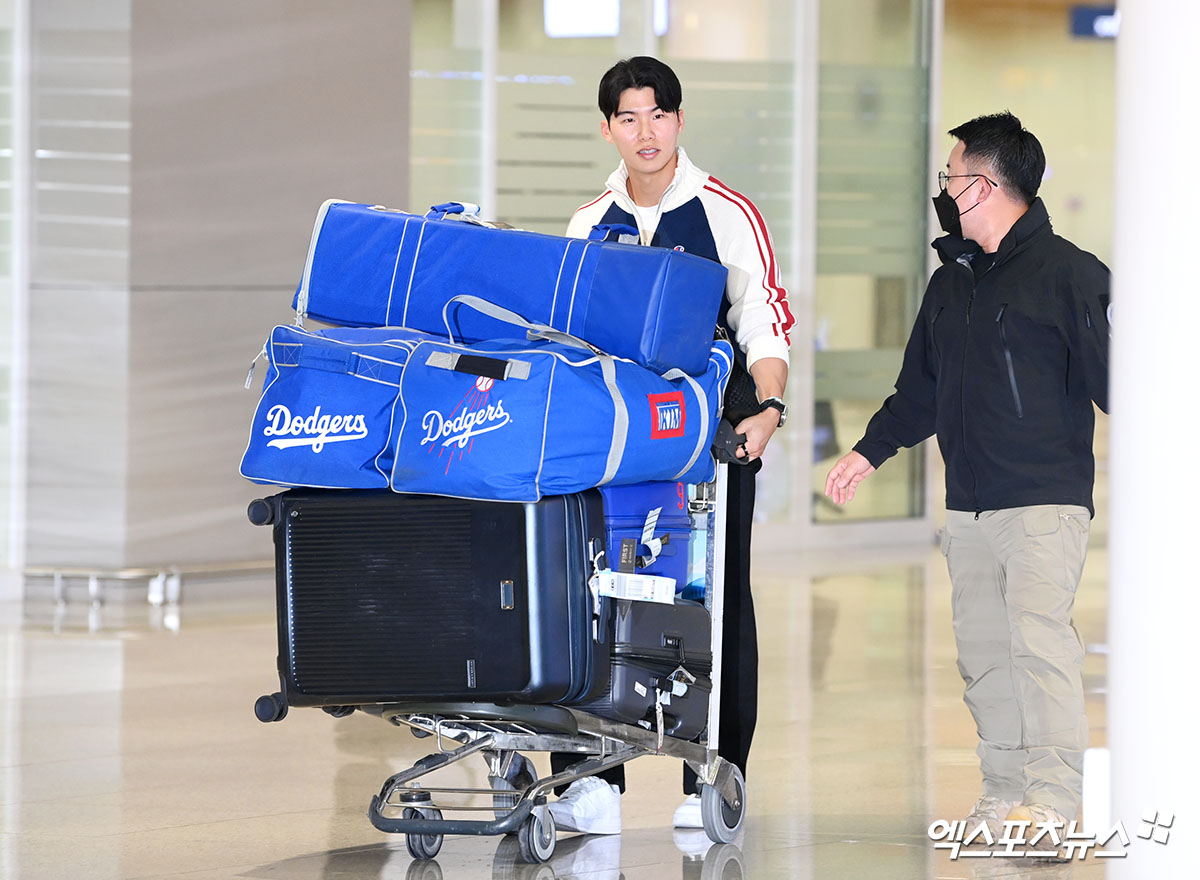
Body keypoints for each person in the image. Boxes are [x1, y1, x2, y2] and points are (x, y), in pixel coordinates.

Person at [824, 112, 1110, 851]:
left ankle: (1053, 805)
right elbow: (921, 389)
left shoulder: (1071, 275)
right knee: (984, 657)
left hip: (1044, 502)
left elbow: (1122, 380)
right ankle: (1003, 789)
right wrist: (868, 451)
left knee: (1040, 649)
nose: (945, 191)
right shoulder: (950, 283)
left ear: (984, 185)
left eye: (951, 177)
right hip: (970, 508)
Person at [545, 56, 794, 835]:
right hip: (619, 439)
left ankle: (713, 775)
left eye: (657, 115)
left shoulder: (725, 211)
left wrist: (770, 406)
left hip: (712, 435)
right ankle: (593, 781)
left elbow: (763, 317)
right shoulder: (590, 222)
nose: (645, 132)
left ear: (679, 120)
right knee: (596, 591)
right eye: (628, 117)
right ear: (608, 129)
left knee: (715, 597)